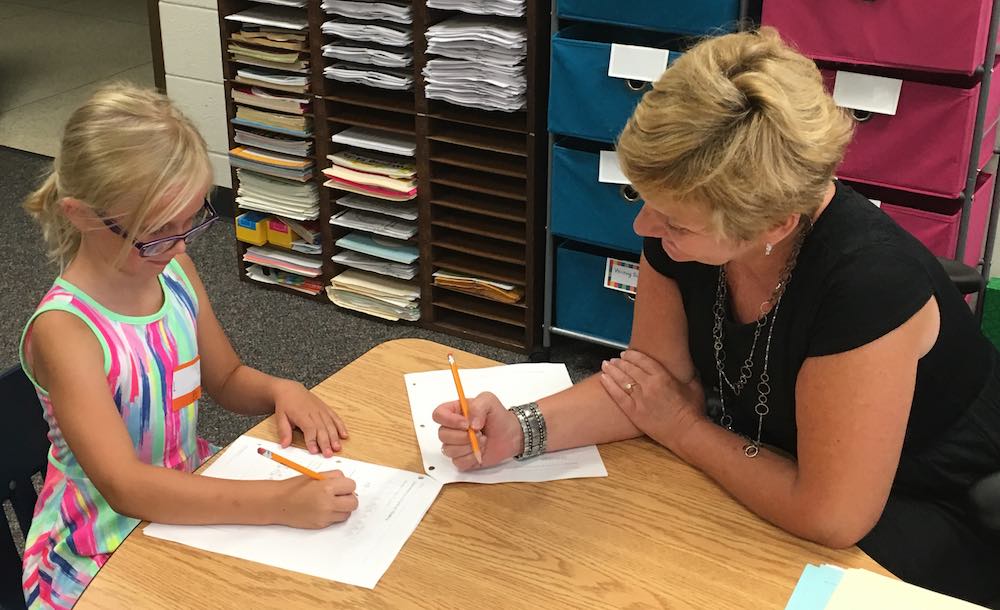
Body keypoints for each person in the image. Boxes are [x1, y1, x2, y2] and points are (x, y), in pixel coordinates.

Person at [433, 28, 1000, 605]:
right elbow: (650, 386)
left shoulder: (867, 285)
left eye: (676, 223)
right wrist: (520, 430)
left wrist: (684, 427)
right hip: (769, 461)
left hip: (926, 500)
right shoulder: (694, 227)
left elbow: (832, 515)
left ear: (773, 226)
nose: (644, 230)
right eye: (644, 199)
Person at [19, 85, 358, 609]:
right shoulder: (67, 331)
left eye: (190, 223)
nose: (179, 246)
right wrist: (279, 503)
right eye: (156, 232)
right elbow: (126, 487)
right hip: (100, 546)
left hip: (189, 493)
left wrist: (278, 390)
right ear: (82, 214)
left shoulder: (172, 269)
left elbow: (223, 378)